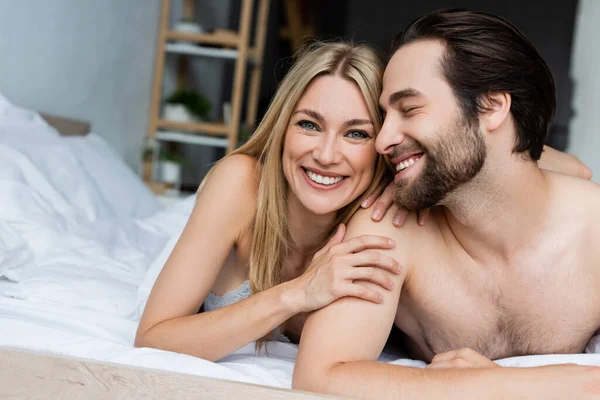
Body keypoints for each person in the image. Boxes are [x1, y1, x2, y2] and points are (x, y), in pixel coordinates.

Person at [293, 9, 600, 399]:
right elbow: (320, 377)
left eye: (410, 109)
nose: (382, 140)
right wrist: (498, 384)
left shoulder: (594, 231)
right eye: (385, 115)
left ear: (491, 108)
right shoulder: (389, 228)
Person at [134, 41, 404, 361]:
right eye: (309, 124)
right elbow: (152, 338)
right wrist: (298, 293)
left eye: (356, 133)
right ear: (283, 126)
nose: (326, 155)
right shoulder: (239, 184)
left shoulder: (389, 216)